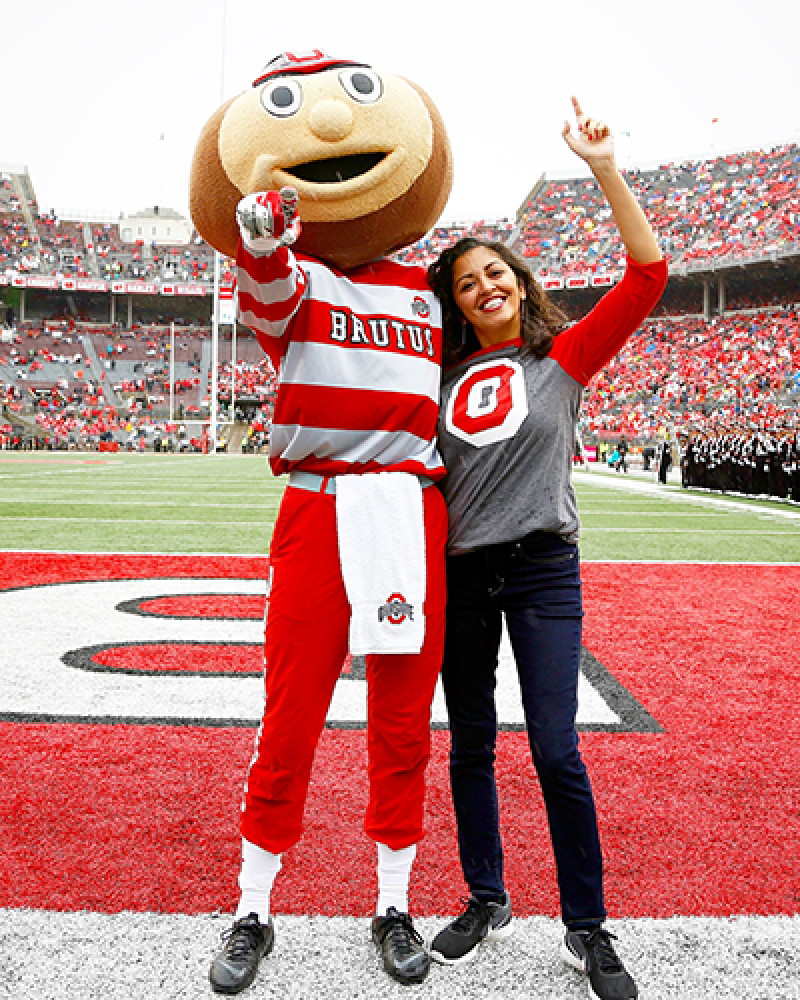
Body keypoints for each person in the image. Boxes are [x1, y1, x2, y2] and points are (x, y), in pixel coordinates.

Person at [202, 50, 455, 994]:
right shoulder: (298, 276)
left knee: (401, 721)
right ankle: (253, 908)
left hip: (407, 510)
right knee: (292, 714)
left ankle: (393, 901)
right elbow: (266, 293)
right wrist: (262, 239)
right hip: (319, 507)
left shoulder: (427, 289)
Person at [426, 97, 667, 1000]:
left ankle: (587, 926)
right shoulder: (435, 376)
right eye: (466, 283)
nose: (484, 286)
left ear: (520, 284)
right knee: (471, 743)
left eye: (496, 273)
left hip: (539, 570)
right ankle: (487, 897)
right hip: (460, 577)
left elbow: (646, 276)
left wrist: (603, 166)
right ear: (455, 305)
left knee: (558, 749)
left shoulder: (561, 359)